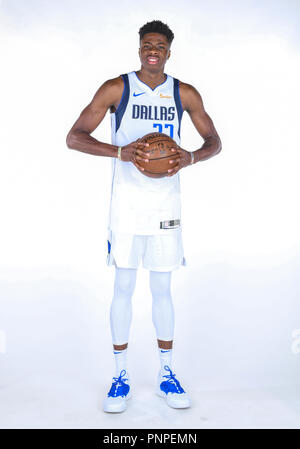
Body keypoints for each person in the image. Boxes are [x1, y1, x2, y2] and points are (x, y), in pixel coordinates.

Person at [66, 20, 222, 413]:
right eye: (147, 44)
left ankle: (167, 374)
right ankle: (120, 376)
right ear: (139, 49)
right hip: (127, 206)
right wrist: (120, 151)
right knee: (122, 287)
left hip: (167, 206)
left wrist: (191, 156)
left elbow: (214, 141)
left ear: (169, 52)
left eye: (160, 45)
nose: (153, 49)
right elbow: (74, 136)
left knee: (162, 290)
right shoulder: (116, 88)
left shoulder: (183, 93)